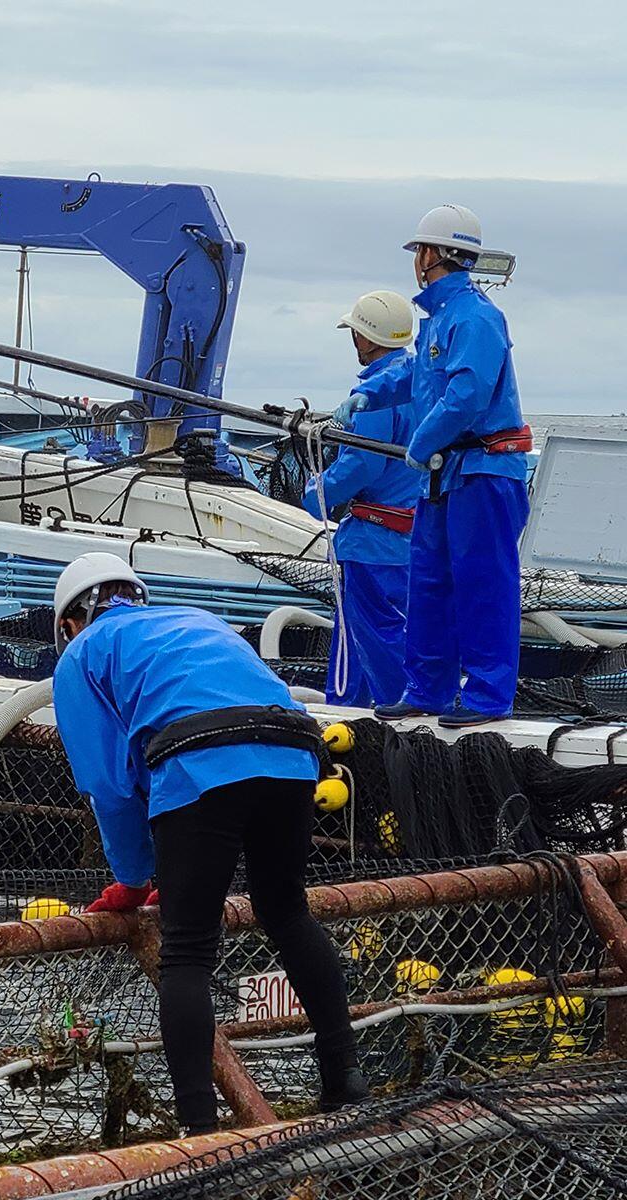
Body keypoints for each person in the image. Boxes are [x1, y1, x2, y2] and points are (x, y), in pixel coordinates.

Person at [50, 552, 367, 1134]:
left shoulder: (83, 653)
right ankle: (345, 1078)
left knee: (189, 948)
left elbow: (108, 783)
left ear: (72, 620)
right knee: (287, 911)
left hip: (200, 765)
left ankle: (198, 1126)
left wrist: (134, 877)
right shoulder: (197, 620)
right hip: (293, 755)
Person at [375, 206, 529, 729]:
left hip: (484, 471)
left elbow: (466, 395)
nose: (415, 260)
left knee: (484, 581)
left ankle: (488, 696)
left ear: (433, 254)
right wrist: (359, 399)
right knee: (431, 581)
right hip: (446, 473)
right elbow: (415, 380)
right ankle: (429, 690)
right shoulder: (441, 319)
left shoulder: (477, 317)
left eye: (418, 250)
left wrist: (421, 441)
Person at [300, 291, 420, 708]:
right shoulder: (423, 382)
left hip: (372, 543)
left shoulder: (375, 392)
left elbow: (362, 466)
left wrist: (316, 494)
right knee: (406, 630)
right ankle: (407, 708)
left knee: (362, 639)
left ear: (366, 338)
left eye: (355, 331)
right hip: (415, 538)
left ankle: (353, 718)